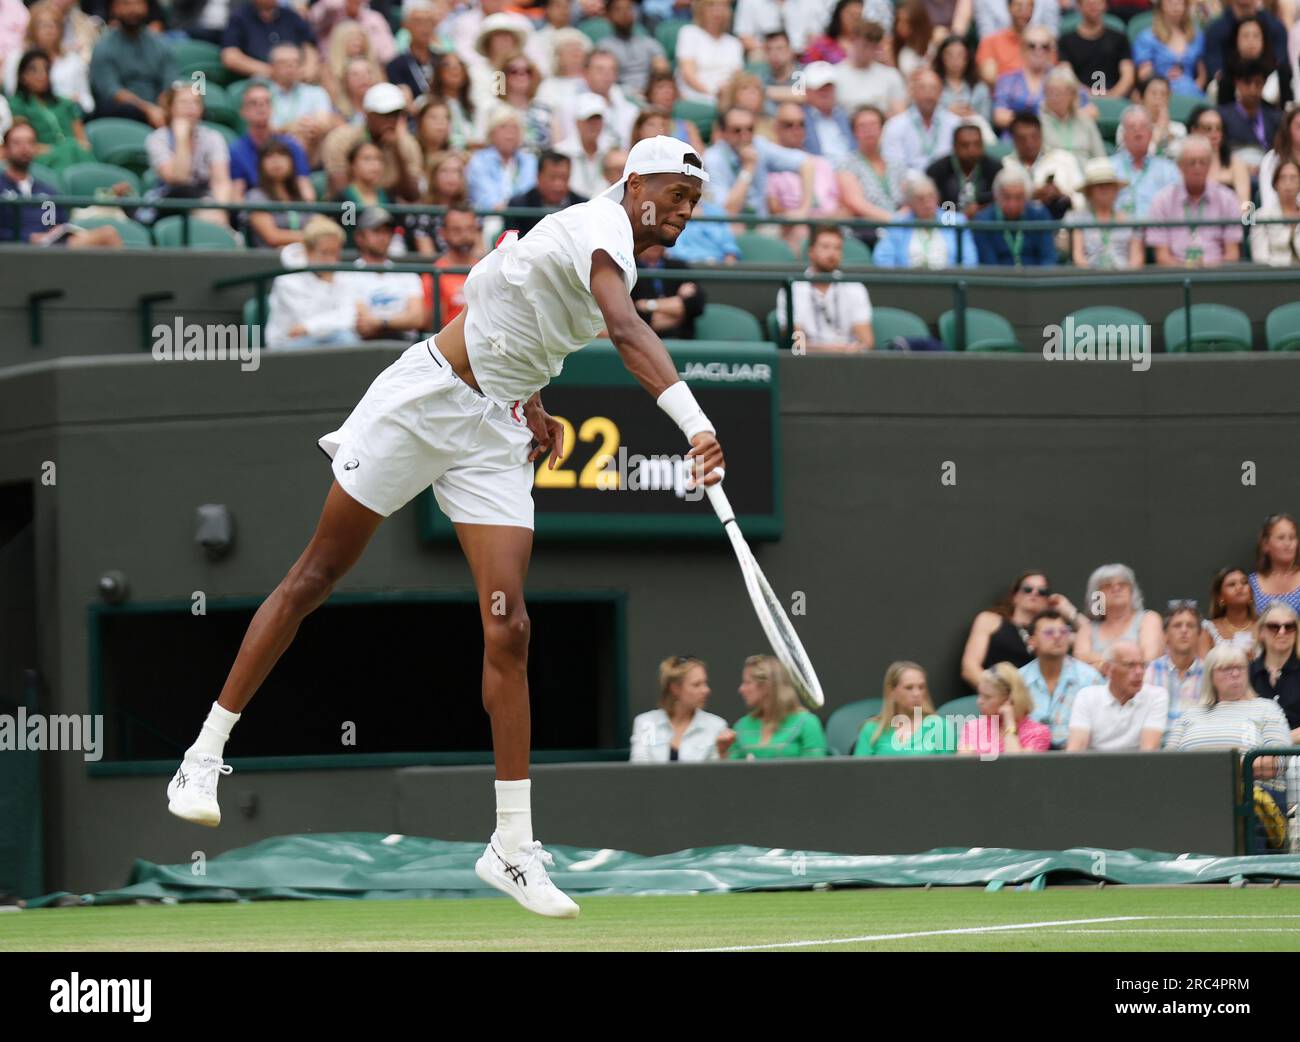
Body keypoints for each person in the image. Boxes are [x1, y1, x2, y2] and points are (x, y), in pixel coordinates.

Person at [165, 136, 723, 920]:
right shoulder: (594, 233)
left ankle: (511, 847)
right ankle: (202, 756)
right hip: (425, 403)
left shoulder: (604, 254)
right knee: (314, 578)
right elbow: (628, 335)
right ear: (633, 185)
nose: (684, 211)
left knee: (511, 628)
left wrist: (533, 404)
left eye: (695, 201)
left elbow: (515, 306)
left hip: (496, 435)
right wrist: (695, 424)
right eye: (674, 193)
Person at [1167, 646, 1292, 815]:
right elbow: (1166, 764)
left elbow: (1277, 763)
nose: (1235, 674)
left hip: (1252, 802)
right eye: (1226, 668)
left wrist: (1213, 771)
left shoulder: (1266, 708)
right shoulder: (1190, 714)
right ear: (1211, 676)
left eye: (1240, 667)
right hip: (1191, 801)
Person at [0, 119, 122, 247]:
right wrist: (28, 237)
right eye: (17, 143)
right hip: (12, 252)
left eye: (30, 142)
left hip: (51, 251)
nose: (24, 148)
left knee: (108, 235)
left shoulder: (47, 192)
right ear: (5, 149)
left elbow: (54, 224)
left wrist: (54, 232)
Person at [962, 570, 1072, 690]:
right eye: (1027, 589)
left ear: (1047, 601)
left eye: (1042, 591)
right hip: (996, 696)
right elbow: (969, 668)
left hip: (1036, 700)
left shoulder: (1054, 632)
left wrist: (1071, 612)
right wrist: (999, 694)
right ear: (1015, 596)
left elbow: (1085, 642)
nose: (1034, 593)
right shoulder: (990, 620)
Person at [1146, 134, 1243, 266]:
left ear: (1210, 165)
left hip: (1217, 276)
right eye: (1191, 163)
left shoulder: (1227, 199)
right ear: (1180, 166)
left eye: (1202, 162)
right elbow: (1162, 257)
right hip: (1176, 277)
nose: (1197, 168)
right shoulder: (1162, 200)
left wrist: (1208, 271)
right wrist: (1187, 271)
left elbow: (1232, 255)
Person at [775, 224, 874, 352]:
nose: (832, 253)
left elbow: (866, 341)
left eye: (837, 248)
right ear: (811, 251)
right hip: (806, 363)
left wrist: (853, 349)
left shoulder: (855, 287)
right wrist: (832, 350)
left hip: (849, 363)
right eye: (825, 247)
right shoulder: (793, 289)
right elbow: (796, 343)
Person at [704, 105, 816, 218]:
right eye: (737, 130)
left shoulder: (759, 145)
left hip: (762, 224)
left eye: (750, 129)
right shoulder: (712, 158)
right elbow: (727, 211)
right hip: (729, 227)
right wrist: (748, 169)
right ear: (723, 133)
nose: (745, 135)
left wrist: (804, 209)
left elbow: (806, 163)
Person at [145, 84, 233, 227]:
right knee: (183, 191)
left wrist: (220, 211)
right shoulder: (157, 139)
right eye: (184, 102)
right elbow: (179, 178)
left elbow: (221, 181)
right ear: (171, 108)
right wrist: (181, 138)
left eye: (196, 102)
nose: (190, 107)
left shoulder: (213, 137)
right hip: (169, 203)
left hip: (208, 202)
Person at [264, 216, 357, 347]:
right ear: (307, 251)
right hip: (286, 345)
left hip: (332, 338)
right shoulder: (286, 281)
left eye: (335, 254)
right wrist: (327, 285)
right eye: (324, 253)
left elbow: (348, 318)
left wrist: (308, 327)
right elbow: (302, 323)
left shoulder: (342, 275)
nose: (331, 261)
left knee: (348, 339)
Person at [322, 82, 423, 201]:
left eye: (396, 114)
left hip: (390, 212)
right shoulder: (340, 139)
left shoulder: (408, 145)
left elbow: (412, 195)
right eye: (384, 114)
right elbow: (340, 195)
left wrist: (397, 150)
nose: (391, 120)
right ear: (368, 115)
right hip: (348, 214)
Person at [337, 206, 427, 338]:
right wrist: (399, 321)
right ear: (359, 237)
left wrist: (380, 322)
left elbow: (417, 318)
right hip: (366, 345)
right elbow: (362, 322)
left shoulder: (407, 274)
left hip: (405, 345)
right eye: (376, 231)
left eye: (387, 232)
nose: (383, 237)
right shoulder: (347, 275)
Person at [1019, 607, 1103, 749]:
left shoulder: (1090, 678)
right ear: (1032, 641)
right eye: (1049, 632)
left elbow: (1103, 727)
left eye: (1064, 631)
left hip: (1077, 760)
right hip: (1027, 760)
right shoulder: (1018, 679)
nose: (1058, 636)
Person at [716, 655, 826, 759]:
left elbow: (816, 773)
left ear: (767, 685)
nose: (741, 689)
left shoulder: (807, 724)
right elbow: (729, 775)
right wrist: (723, 752)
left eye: (747, 683)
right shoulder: (741, 726)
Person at [1066, 641, 1169, 751]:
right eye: (1130, 665)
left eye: (1143, 665)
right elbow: (1075, 750)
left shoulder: (1156, 696)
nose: (1139, 672)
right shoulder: (1087, 697)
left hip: (1140, 766)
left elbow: (1149, 750)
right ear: (1108, 669)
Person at [88, 0, 176, 125]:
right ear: (114, 8)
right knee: (124, 110)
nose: (133, 9)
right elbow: (111, 91)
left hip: (159, 108)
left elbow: (170, 82)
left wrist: (164, 107)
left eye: (138, 3)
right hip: (122, 112)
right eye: (126, 4)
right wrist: (148, 109)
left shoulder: (161, 44)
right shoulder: (103, 47)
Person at [7, 49, 93, 171]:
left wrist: (74, 147)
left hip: (74, 152)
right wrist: (60, 149)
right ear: (23, 76)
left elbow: (82, 140)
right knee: (68, 152)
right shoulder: (18, 104)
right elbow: (25, 142)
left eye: (46, 70)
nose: (42, 75)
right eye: (34, 70)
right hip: (44, 156)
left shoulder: (64, 102)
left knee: (77, 151)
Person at [630, 656, 729, 761]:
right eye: (697, 685)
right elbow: (639, 769)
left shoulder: (716, 726)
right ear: (675, 689)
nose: (706, 690)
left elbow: (717, 774)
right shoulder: (647, 724)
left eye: (705, 683)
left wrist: (722, 752)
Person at [1073, 564, 1167, 671]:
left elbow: (1148, 660)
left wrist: (1100, 663)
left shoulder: (1149, 619)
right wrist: (1128, 660)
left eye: (1122, 584)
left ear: (1132, 591)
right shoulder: (1088, 628)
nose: (1116, 588)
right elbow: (1079, 666)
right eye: (1107, 585)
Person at [872, 172, 978, 267]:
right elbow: (882, 259)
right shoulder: (899, 224)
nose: (928, 203)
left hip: (948, 284)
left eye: (931, 196)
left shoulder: (956, 221)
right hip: (908, 284)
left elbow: (970, 260)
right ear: (910, 203)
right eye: (920, 199)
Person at [229, 81, 313, 199]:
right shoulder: (236, 150)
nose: (261, 107)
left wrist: (305, 215)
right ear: (243, 111)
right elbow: (237, 194)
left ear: (273, 109)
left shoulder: (291, 145)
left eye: (266, 102)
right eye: (254, 103)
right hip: (256, 208)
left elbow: (305, 188)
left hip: (292, 205)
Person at [4, 2, 93, 113]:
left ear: (61, 29)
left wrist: (76, 102)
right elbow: (12, 94)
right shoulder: (17, 58)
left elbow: (88, 102)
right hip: (31, 116)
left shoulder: (74, 61)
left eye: (54, 24)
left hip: (70, 117)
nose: (49, 30)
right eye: (43, 25)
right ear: (32, 29)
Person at [853, 660, 955, 756]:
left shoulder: (941, 727)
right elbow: (857, 772)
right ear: (892, 692)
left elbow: (949, 771)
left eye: (921, 687)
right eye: (909, 688)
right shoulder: (871, 730)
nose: (917, 693)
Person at [837, 104, 906, 237]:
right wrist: (893, 220)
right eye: (863, 126)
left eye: (873, 125)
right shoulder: (846, 164)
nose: (869, 130)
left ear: (882, 128)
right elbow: (855, 202)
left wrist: (903, 217)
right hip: (865, 231)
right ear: (854, 132)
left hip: (899, 228)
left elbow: (908, 197)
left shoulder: (896, 163)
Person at [267, 44, 339, 168]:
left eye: (295, 62)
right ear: (272, 67)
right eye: (284, 63)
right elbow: (263, 129)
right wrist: (289, 128)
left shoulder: (316, 92)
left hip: (312, 145)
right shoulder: (262, 93)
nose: (290, 67)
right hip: (271, 148)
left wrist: (307, 126)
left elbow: (324, 121)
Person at [958, 662, 1052, 756]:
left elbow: (1016, 765)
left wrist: (1009, 724)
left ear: (1009, 699)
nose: (979, 701)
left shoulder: (1038, 733)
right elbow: (963, 766)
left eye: (987, 697)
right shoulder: (973, 727)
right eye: (980, 695)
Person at [1001, 110, 1082, 219]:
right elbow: (1000, 205)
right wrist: (1031, 196)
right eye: (1022, 138)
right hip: (1020, 229)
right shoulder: (1005, 166)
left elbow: (1083, 200)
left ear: (1041, 135)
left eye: (1034, 136)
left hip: (1063, 227)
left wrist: (1062, 195)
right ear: (1014, 140)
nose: (1029, 142)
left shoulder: (1064, 159)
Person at [1067, 157, 1144, 268]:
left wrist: (1126, 279)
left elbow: (1137, 259)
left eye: (1108, 185)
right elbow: (1078, 257)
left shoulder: (1131, 221)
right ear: (1089, 191)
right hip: (1090, 278)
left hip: (1124, 278)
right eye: (1099, 185)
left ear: (1116, 190)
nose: (1104, 189)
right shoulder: (1078, 220)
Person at [971, 166, 1056, 266]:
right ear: (997, 197)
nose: (1013, 204)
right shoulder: (983, 221)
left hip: (1036, 278)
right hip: (999, 279)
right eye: (1007, 197)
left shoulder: (1040, 215)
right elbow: (989, 263)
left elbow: (1048, 258)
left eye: (1019, 198)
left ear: (1026, 197)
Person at [882, 68, 961, 172]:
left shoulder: (955, 124)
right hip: (909, 184)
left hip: (946, 182)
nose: (928, 94)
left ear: (941, 92)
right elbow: (895, 166)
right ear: (912, 92)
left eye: (933, 88)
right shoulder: (895, 125)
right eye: (922, 88)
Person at [221, 0, 316, 83]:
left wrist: (309, 67)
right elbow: (230, 57)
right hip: (258, 82)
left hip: (297, 79)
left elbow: (309, 46)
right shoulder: (239, 17)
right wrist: (273, 71)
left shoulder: (291, 16)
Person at [1144, 603, 1206, 730]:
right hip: (1158, 745)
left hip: (1197, 746)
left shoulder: (1210, 673)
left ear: (1199, 634)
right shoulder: (1149, 671)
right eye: (1177, 625)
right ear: (1165, 635)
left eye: (1190, 626)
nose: (1184, 630)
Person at [1111, 106, 1181, 218]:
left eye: (1143, 127)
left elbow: (1178, 205)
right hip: (1119, 231)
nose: (1138, 132)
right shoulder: (1110, 167)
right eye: (1132, 127)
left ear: (1151, 134)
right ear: (1123, 135)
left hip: (1158, 230)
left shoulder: (1168, 169)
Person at [1059, 0, 1134, 99]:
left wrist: (1112, 96)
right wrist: (1087, 95)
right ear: (1079, 6)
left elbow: (1128, 75)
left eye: (1098, 3)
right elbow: (1066, 74)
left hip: (1115, 98)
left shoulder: (1119, 38)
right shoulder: (1066, 40)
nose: (1094, 7)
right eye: (1089, 4)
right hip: (1079, 100)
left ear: (1105, 5)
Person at [1132, 0, 1208, 98]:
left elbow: (1202, 72)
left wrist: (1196, 86)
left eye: (1180, 2)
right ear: (1161, 5)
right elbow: (1144, 74)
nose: (1176, 5)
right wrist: (1163, 79)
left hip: (1192, 90)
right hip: (1159, 92)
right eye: (1170, 1)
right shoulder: (1147, 37)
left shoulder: (1196, 35)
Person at [675, 0, 744, 104]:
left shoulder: (734, 42)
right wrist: (712, 92)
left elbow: (737, 75)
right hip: (696, 95)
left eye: (722, 7)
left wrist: (727, 91)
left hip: (728, 96)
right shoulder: (689, 33)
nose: (717, 11)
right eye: (711, 6)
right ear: (701, 10)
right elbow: (688, 74)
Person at [928, 120, 1001, 218]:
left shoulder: (995, 169)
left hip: (985, 224)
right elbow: (932, 205)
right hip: (948, 223)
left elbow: (1001, 202)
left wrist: (981, 209)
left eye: (977, 144)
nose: (972, 151)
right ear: (954, 146)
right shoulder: (937, 171)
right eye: (965, 145)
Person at [631, 243, 706, 338]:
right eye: (650, 240)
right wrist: (678, 310)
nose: (654, 245)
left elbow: (697, 305)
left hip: (682, 341)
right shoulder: (629, 269)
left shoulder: (679, 267)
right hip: (642, 341)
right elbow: (632, 315)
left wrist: (648, 305)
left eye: (659, 241)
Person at [427, 202, 483, 327]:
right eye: (456, 230)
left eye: (470, 228)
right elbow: (430, 323)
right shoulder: (433, 272)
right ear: (443, 233)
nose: (464, 235)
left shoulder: (487, 269)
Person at [244, 140, 310, 248]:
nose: (276, 161)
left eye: (282, 155)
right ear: (260, 164)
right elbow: (272, 236)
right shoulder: (255, 196)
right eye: (269, 156)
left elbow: (315, 224)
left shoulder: (300, 195)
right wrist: (311, 238)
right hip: (271, 259)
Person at [598, 0, 670, 96]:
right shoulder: (604, 47)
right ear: (608, 16)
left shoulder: (649, 43)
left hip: (649, 94)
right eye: (618, 9)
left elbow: (663, 72)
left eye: (628, 9)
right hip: (619, 95)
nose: (624, 13)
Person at [1250, 602, 1300, 739]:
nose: (1282, 632)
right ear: (1261, 633)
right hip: (1255, 755)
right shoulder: (1246, 673)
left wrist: (1278, 742)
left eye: (1289, 627)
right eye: (1274, 627)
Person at [836, 20, 907, 116]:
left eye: (873, 47)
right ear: (853, 41)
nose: (868, 51)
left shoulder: (891, 75)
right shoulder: (835, 74)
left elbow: (899, 114)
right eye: (864, 46)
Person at [509, 151, 586, 239]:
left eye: (564, 177)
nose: (558, 185)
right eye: (552, 177)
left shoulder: (582, 205)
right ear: (538, 176)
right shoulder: (518, 207)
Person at [1040, 66, 1106, 166]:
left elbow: (1100, 158)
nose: (1055, 97)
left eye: (1059, 93)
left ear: (1072, 94)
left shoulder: (1086, 121)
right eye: (1051, 92)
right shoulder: (1039, 124)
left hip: (1086, 176)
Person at [555, 93, 616, 198]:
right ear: (578, 122)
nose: (593, 125)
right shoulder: (560, 152)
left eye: (597, 120)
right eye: (588, 120)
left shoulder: (611, 151)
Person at [1218, 59, 1281, 158]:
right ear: (1237, 83)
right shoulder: (1222, 116)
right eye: (1247, 83)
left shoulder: (1276, 117)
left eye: (1258, 83)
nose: (1253, 89)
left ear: (1264, 84)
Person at [386, 0, 442, 104]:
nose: (425, 27)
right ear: (405, 25)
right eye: (418, 22)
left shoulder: (442, 60)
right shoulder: (395, 66)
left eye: (429, 22)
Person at [1116, 76, 1187, 159]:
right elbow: (1136, 161)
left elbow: (1178, 160)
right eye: (1153, 93)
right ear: (1142, 98)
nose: (1158, 98)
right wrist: (1158, 134)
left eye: (1163, 94)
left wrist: (1168, 133)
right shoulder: (1128, 127)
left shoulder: (1179, 129)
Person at [1199, 566, 1260, 655]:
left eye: (1244, 582)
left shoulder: (1265, 626)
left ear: (1251, 593)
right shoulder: (1208, 629)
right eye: (1232, 584)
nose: (1239, 587)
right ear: (1220, 597)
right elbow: (1203, 667)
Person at [801, 61, 854, 162]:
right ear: (807, 91)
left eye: (829, 86)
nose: (825, 91)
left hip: (852, 171)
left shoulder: (846, 116)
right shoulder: (798, 119)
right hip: (817, 171)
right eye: (819, 87)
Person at [1250, 512, 1300, 613]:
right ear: (1265, 545)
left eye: (1292, 538)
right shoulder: (1251, 585)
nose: (1288, 544)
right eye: (1281, 538)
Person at [934, 35, 991, 124]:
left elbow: (986, 120)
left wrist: (972, 116)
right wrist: (947, 113)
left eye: (960, 55)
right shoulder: (933, 86)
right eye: (949, 55)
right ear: (941, 58)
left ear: (968, 58)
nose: (955, 60)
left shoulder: (980, 88)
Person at [976, 0, 1033, 85]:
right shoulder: (991, 41)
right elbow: (989, 77)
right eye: (1019, 5)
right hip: (1001, 95)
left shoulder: (1042, 44)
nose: (1024, 10)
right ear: (1009, 7)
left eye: (1029, 6)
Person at [1258, 105, 1300, 211]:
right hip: (1277, 222)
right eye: (1299, 127)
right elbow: (1268, 200)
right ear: (1288, 130)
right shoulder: (1271, 160)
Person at [805, 0, 866, 65]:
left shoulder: (866, 46)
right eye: (851, 15)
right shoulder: (822, 45)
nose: (855, 19)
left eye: (858, 16)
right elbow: (809, 68)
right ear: (839, 15)